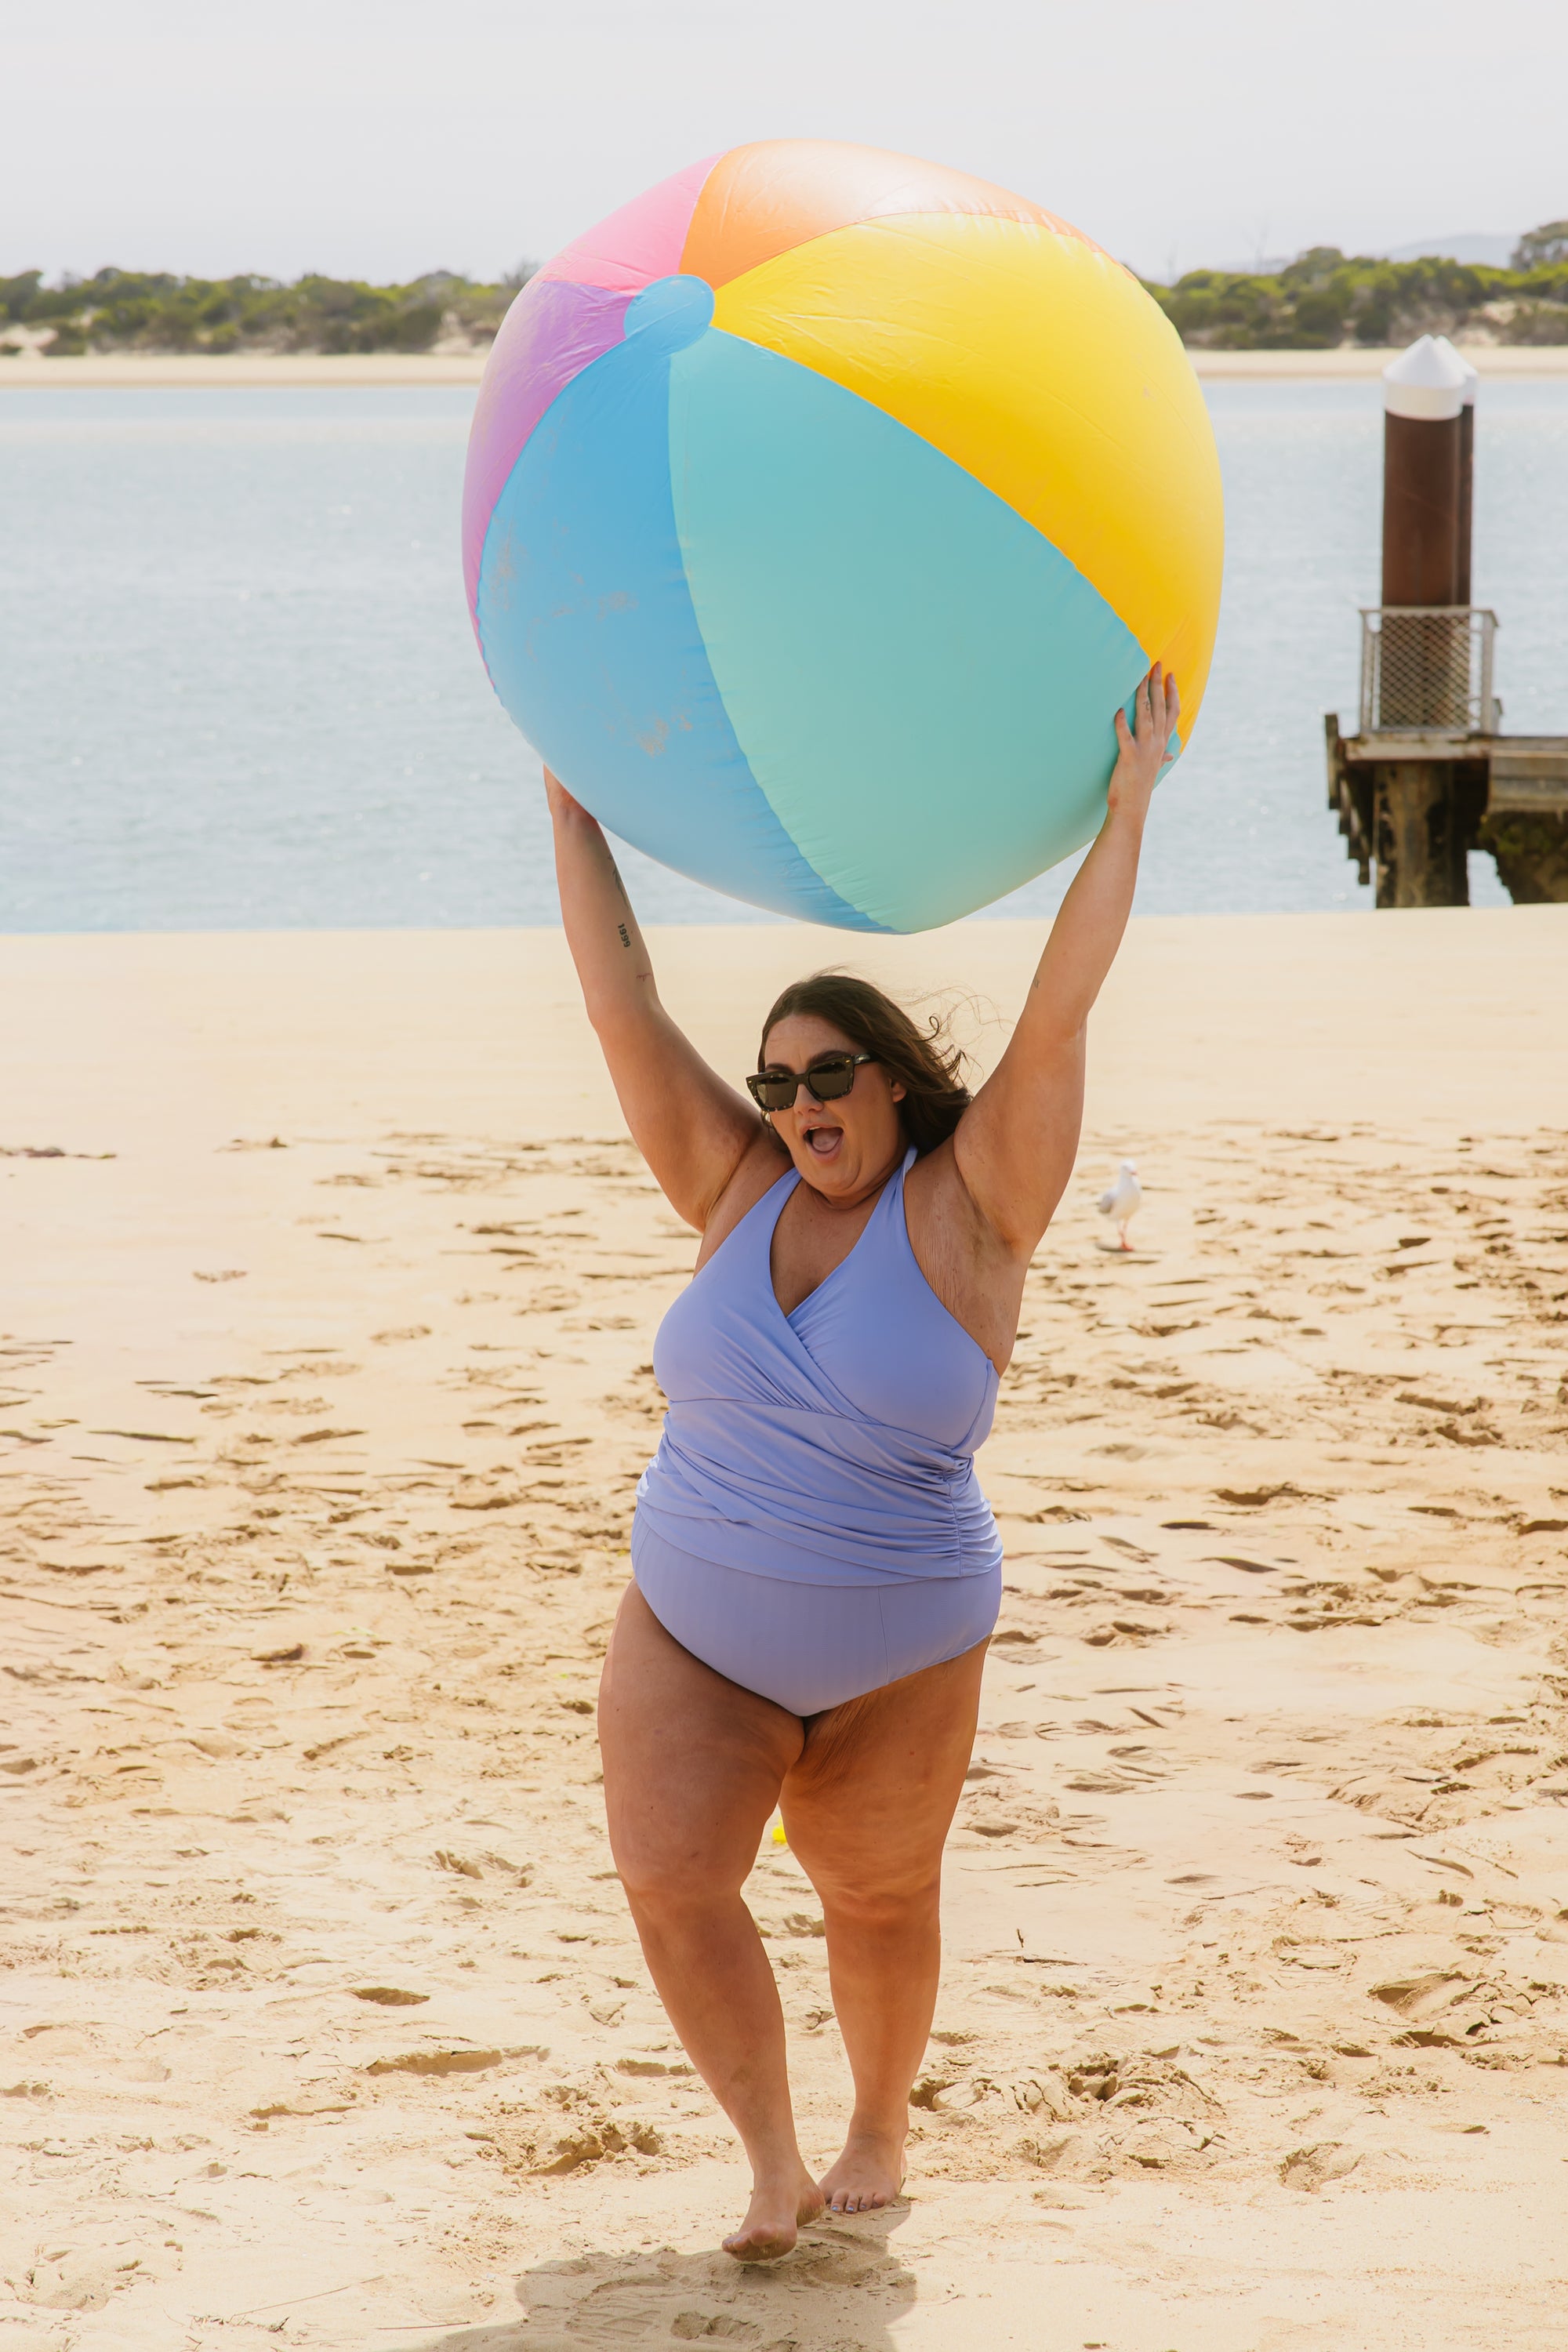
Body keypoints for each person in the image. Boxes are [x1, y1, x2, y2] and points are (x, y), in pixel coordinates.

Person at [545, 666, 1180, 2260]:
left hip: (900, 1642)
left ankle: (876, 2128)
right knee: (669, 1879)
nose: (799, 1102)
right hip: (692, 1627)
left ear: (894, 1080)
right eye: (778, 1080)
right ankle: (767, 2161)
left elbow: (1057, 1011)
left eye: (831, 1074)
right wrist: (571, 799)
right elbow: (620, 1000)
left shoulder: (979, 1211)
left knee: (879, 1903)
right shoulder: (728, 1188)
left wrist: (1127, 808)